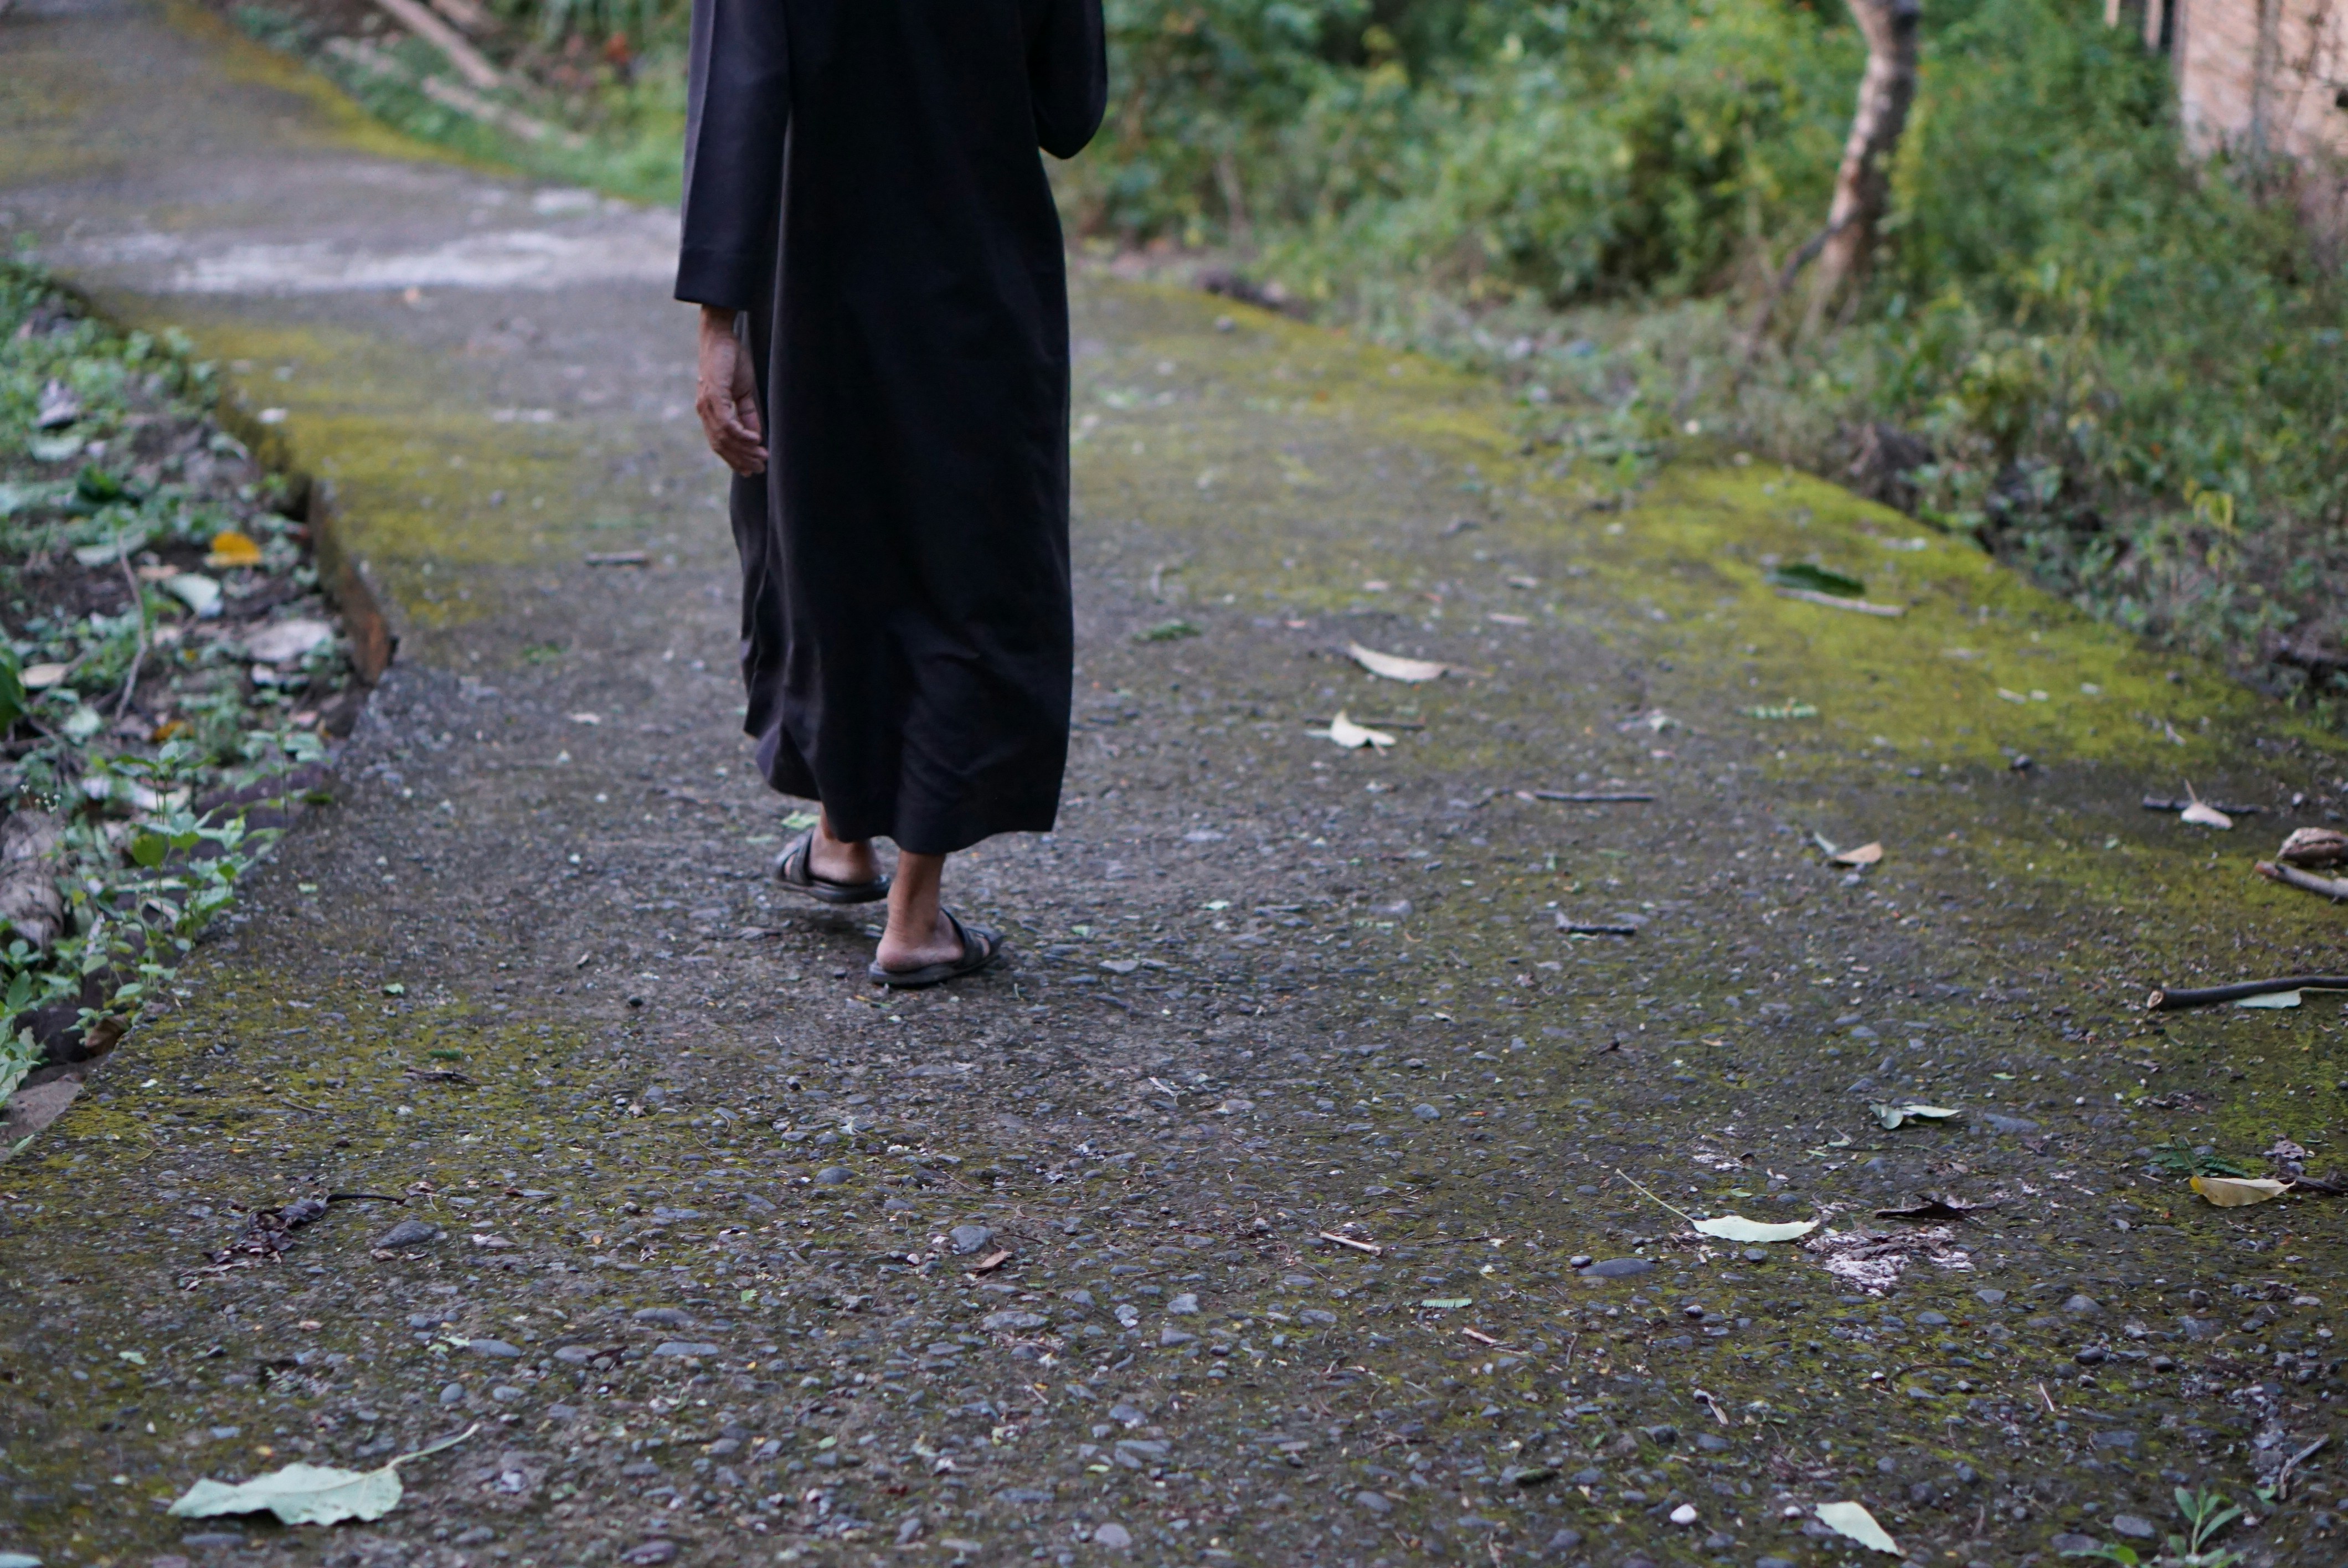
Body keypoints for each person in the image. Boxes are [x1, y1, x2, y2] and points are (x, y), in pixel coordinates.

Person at [673, 0, 1107, 987]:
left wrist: (717, 320)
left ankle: (845, 841)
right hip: (972, 268)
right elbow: (1069, 108)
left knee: (821, 531)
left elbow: (737, 98)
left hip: (813, 271)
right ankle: (904, 907)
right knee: (962, 551)